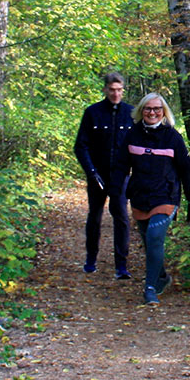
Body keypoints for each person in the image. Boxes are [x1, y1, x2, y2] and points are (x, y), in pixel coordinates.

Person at [113, 92, 190, 305]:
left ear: (164, 112)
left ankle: (150, 288)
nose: (152, 112)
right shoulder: (132, 135)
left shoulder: (172, 137)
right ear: (141, 111)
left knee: (154, 237)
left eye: (157, 109)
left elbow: (186, 171)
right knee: (149, 242)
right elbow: (121, 166)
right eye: (148, 109)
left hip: (166, 196)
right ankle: (161, 278)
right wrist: (116, 194)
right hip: (141, 196)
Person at [73, 73, 135, 278]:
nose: (115, 93)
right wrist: (91, 171)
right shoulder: (93, 113)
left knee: (121, 217)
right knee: (95, 216)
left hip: (120, 175)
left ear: (123, 90)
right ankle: (91, 259)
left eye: (119, 90)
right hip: (97, 174)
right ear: (105, 90)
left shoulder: (131, 113)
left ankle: (121, 266)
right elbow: (81, 146)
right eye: (112, 89)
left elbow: (139, 144)